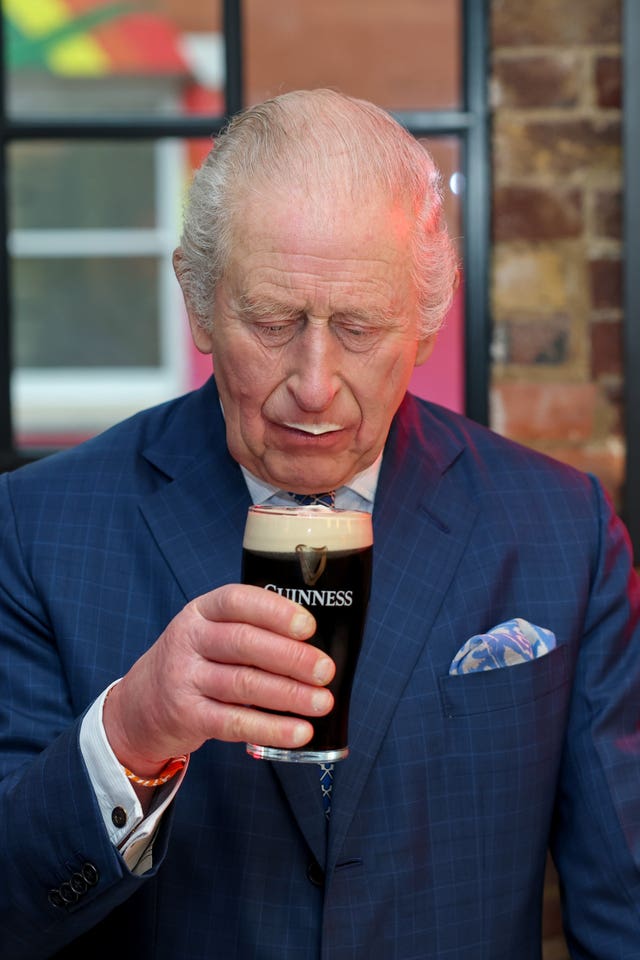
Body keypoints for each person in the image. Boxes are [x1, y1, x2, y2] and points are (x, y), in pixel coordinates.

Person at [1, 89, 638, 960]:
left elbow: (625, 903)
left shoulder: (561, 527)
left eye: (359, 328)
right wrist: (134, 731)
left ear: (426, 323)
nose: (314, 384)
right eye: (273, 322)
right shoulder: (37, 528)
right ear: (198, 301)